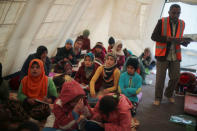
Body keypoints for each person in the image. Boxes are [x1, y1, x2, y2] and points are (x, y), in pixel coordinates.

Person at [151, 4, 191, 105]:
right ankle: (158, 98)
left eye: (178, 13)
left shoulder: (182, 23)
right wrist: (167, 38)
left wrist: (184, 42)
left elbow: (178, 38)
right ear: (169, 12)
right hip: (162, 54)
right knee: (160, 79)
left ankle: (168, 94)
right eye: (174, 13)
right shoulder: (162, 21)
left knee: (175, 77)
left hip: (175, 55)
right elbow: (154, 36)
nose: (176, 15)